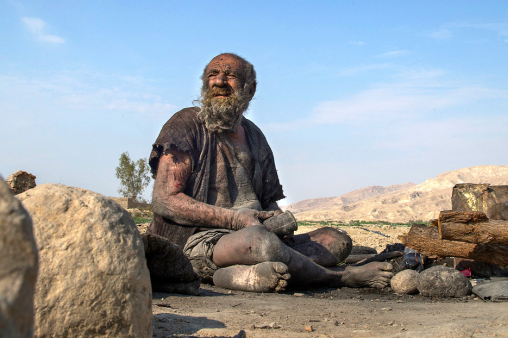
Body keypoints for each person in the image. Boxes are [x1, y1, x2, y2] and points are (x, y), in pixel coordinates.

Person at [147, 53, 393, 292]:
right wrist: (234, 220)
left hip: (255, 234)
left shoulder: (255, 136)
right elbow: (164, 200)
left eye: (230, 75)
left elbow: (268, 202)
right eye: (213, 74)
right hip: (201, 241)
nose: (219, 81)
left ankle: (239, 275)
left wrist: (277, 218)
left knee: (335, 240)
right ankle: (339, 277)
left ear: (250, 89)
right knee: (260, 242)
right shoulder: (185, 124)